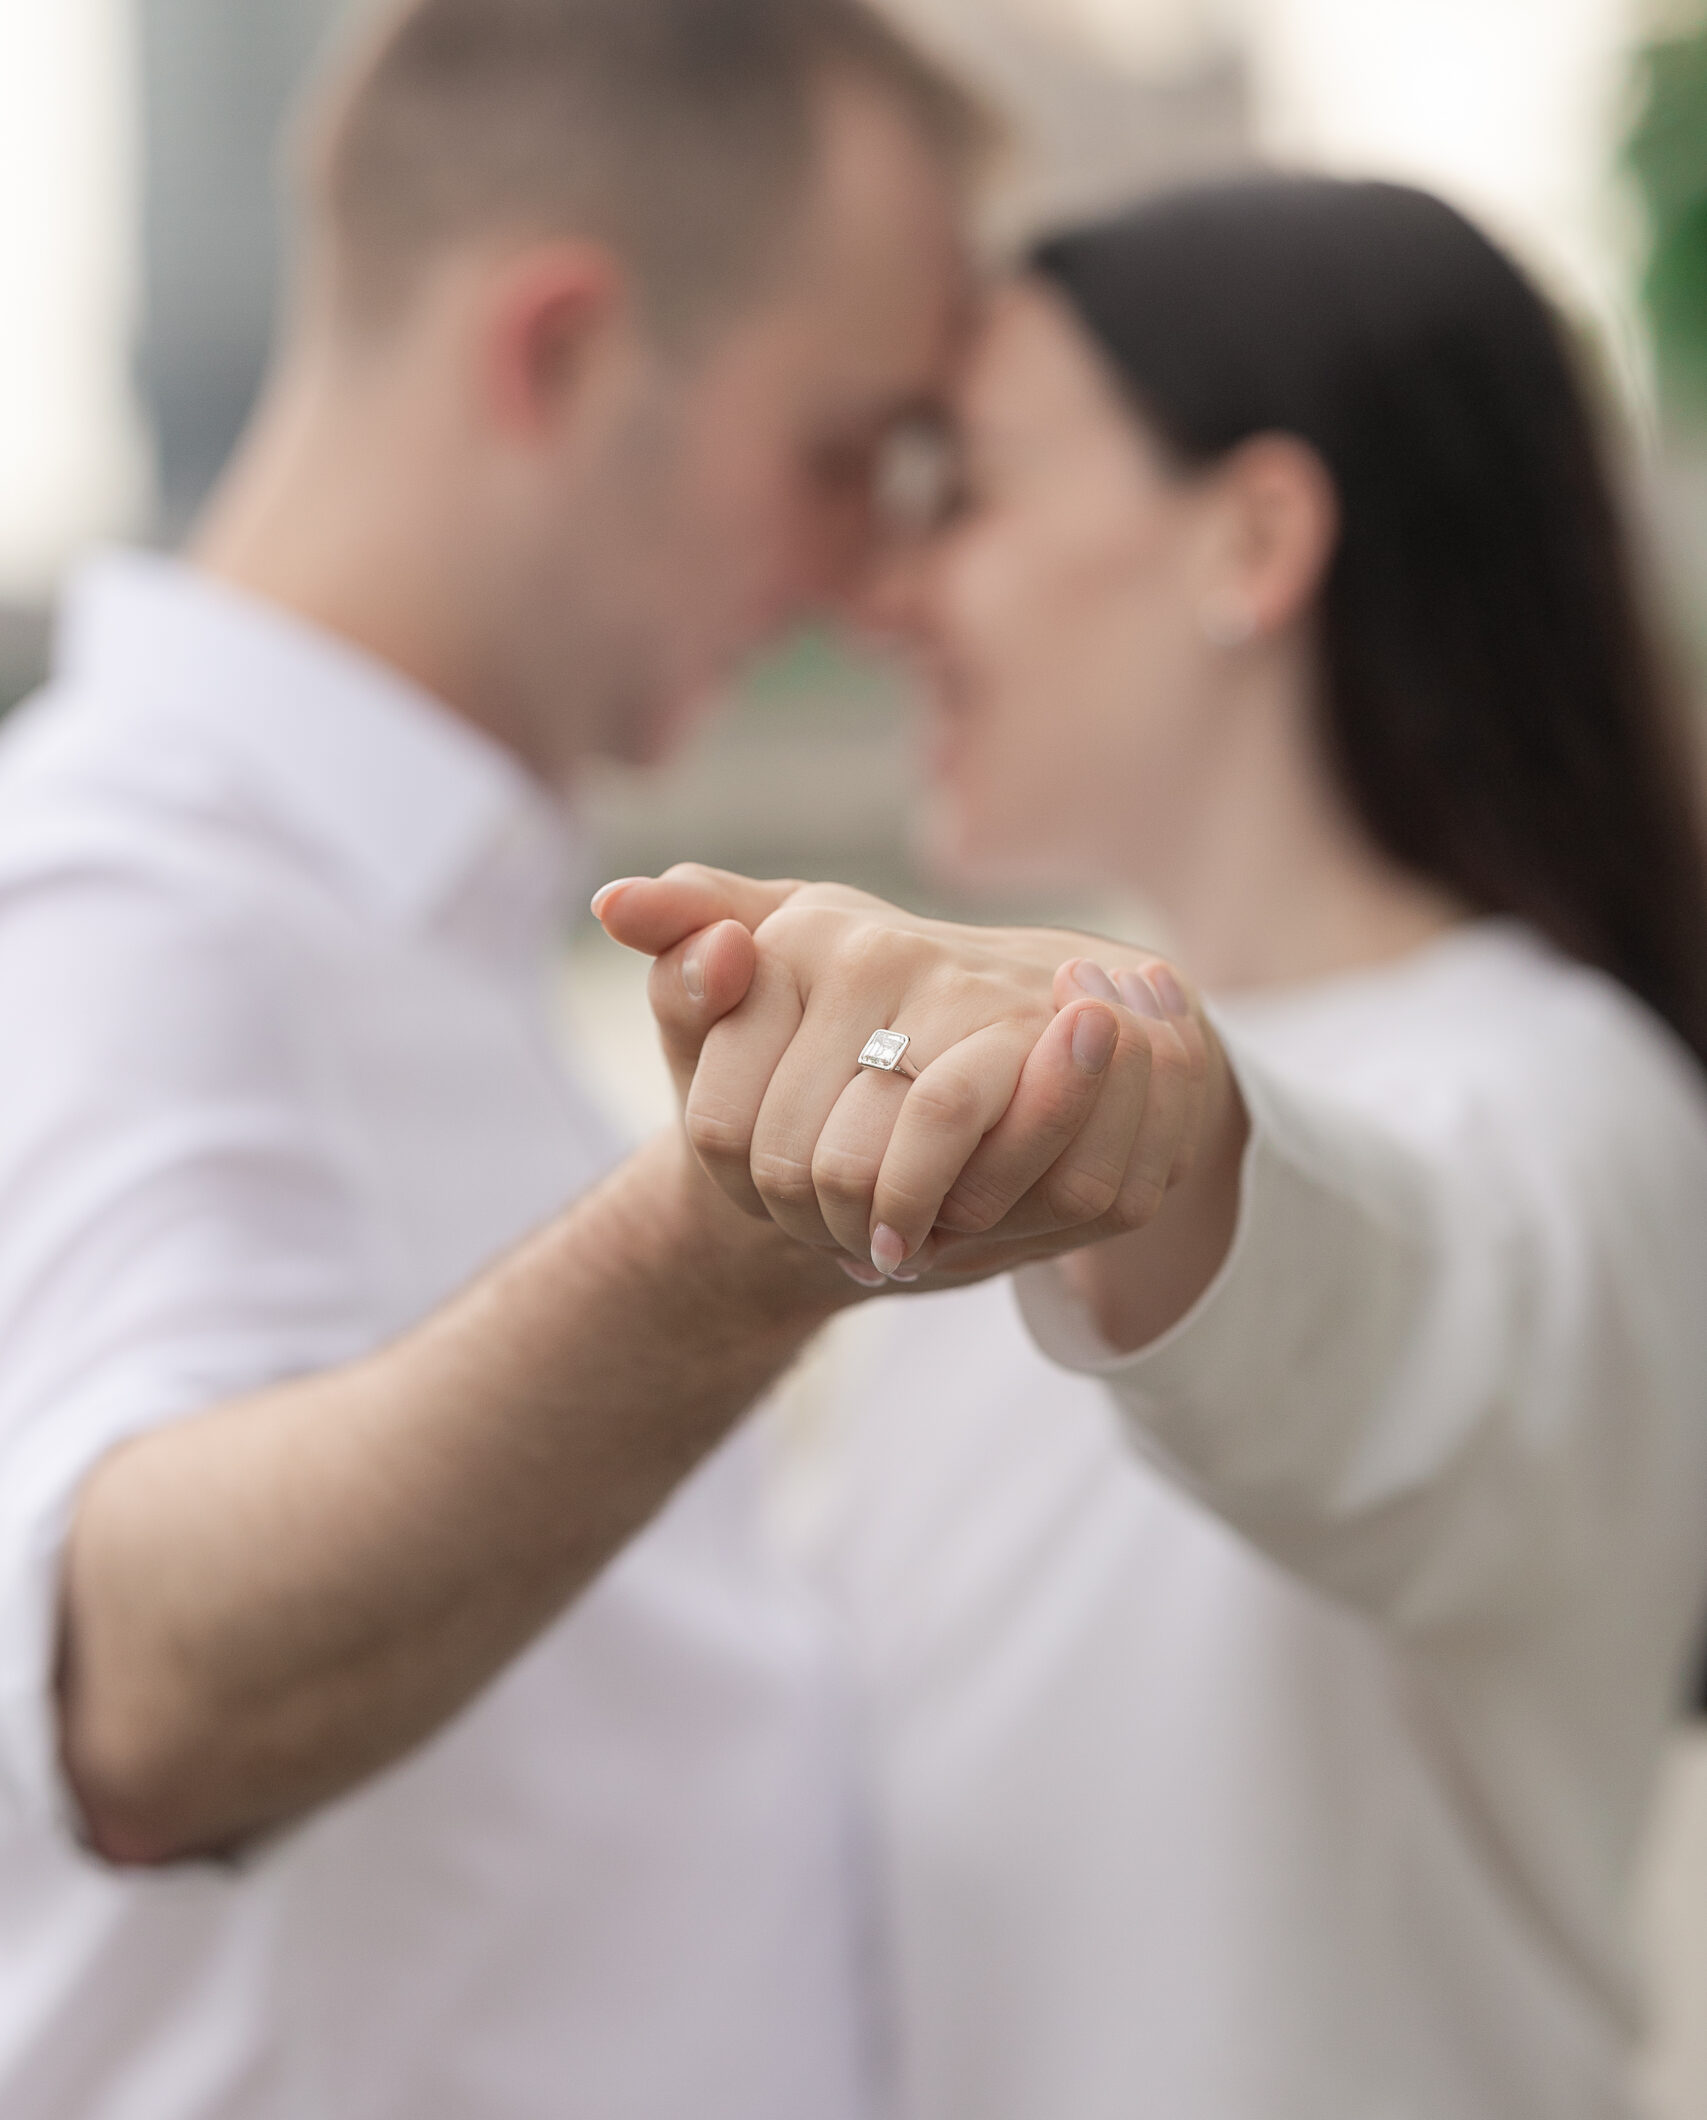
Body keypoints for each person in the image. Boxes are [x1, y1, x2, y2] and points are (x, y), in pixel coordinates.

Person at [0, 0, 1207, 2120]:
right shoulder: (114, 893)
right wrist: (726, 1247)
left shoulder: (395, 912)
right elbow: (136, 1688)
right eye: (846, 445)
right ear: (555, 348)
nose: (870, 571)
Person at [601, 177, 1707, 2118]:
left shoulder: (1574, 1113)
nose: (887, 587)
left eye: (971, 488)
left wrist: (1166, 1136)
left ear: (1255, 534)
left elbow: (1380, 1323)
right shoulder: (1002, 1124)